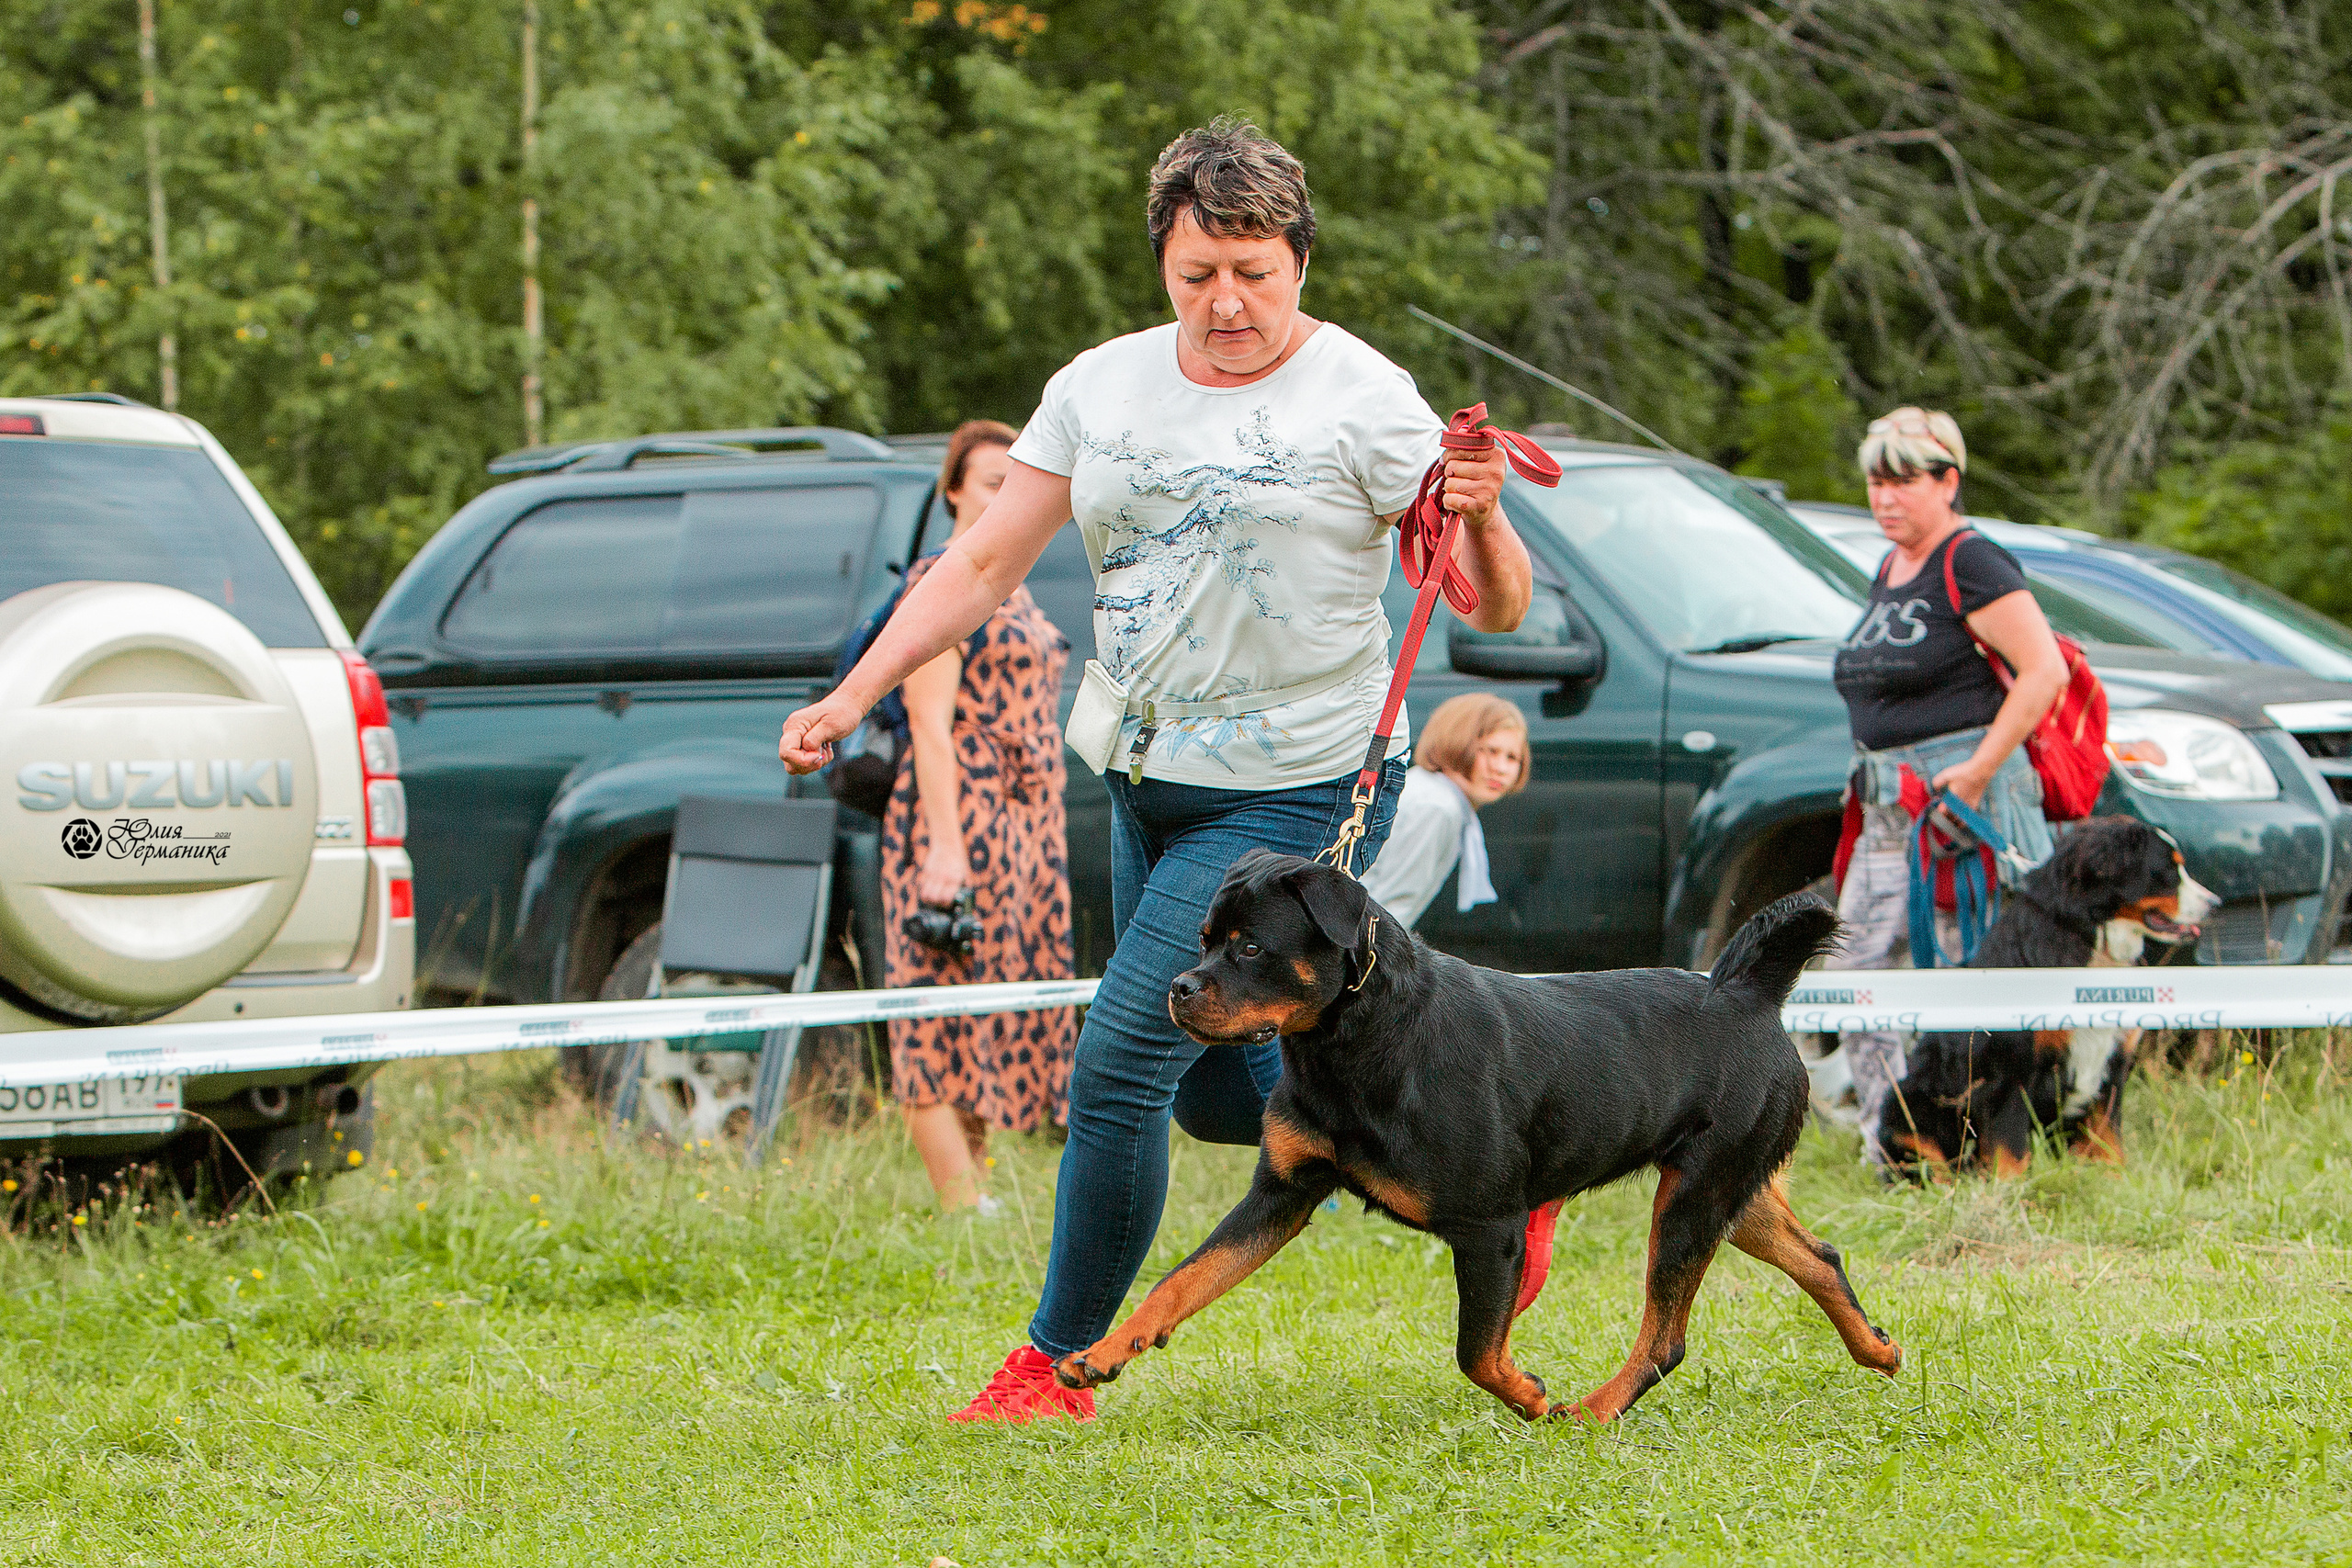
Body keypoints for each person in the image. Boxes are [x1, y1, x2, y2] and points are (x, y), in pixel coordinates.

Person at [778, 117, 1532, 1422]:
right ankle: (1501, 1176)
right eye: (1198, 274)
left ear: (1301, 256)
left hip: (1297, 780)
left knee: (1120, 1057)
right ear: (1164, 264)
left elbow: (1496, 603)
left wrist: (1487, 503)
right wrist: (852, 691)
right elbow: (979, 564)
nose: (1227, 302)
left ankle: (1051, 1365)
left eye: (1255, 269)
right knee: (1234, 1095)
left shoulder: (1364, 398)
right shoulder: (1101, 387)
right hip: (1138, 770)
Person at [1822, 407, 2068, 1168]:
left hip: (1963, 806)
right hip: (1890, 806)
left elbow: (2046, 672)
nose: (1885, 497)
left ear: (1948, 481)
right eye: (1875, 480)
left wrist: (1982, 767)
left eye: (1904, 480)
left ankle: (1981, 1142)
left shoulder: (1972, 560)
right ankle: (1895, 1137)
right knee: (1852, 972)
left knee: (1969, 979)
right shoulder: (1890, 567)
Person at [882, 420, 1077, 1215]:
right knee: (933, 1004)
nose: (1006, 494)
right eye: (991, 480)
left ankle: (979, 1191)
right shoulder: (940, 580)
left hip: (1024, 828)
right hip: (957, 816)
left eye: (1015, 481)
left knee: (988, 1003)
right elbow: (930, 723)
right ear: (955, 490)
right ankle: (960, 1206)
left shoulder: (1012, 583)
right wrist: (944, 848)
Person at [1359, 693, 1527, 928]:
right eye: (1489, 751)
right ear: (1455, 741)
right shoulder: (1436, 807)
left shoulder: (1435, 793)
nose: (1500, 768)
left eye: (1512, 757)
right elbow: (1388, 910)